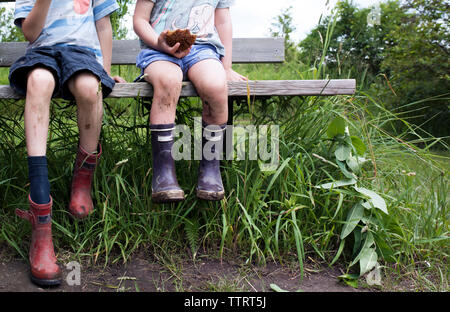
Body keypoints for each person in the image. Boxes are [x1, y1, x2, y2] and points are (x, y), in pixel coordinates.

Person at [8, 0, 125, 286]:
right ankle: (41, 221)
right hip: (42, 53)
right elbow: (31, 33)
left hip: (83, 55)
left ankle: (82, 183)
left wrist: (105, 70)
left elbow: (103, 25)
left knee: (89, 88)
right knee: (39, 81)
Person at [133, 0, 247, 203]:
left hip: (203, 50)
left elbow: (222, 22)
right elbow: (140, 19)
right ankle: (163, 172)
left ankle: (210, 169)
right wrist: (159, 43)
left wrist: (226, 66)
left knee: (215, 85)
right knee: (168, 81)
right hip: (158, 50)